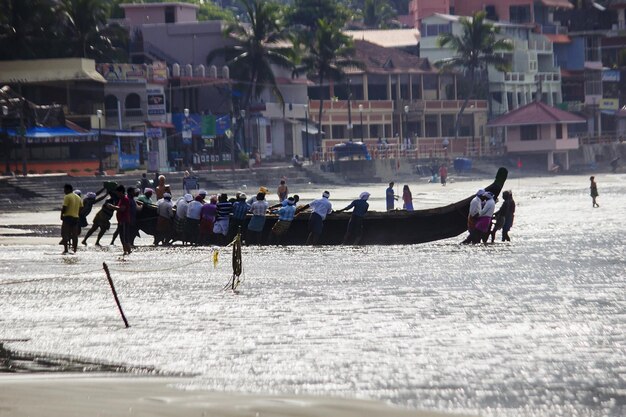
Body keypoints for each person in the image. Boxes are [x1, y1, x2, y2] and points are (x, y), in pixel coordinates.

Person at [110, 185, 132, 255]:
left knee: (125, 238)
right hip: (121, 221)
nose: (117, 194)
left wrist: (112, 207)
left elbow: (122, 209)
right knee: (122, 237)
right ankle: (125, 252)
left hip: (124, 221)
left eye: (117, 193)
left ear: (121, 192)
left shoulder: (125, 199)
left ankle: (128, 252)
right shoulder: (121, 199)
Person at [60, 183, 83, 254]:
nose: (64, 191)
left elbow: (64, 207)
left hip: (68, 217)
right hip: (75, 218)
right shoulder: (78, 197)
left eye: (65, 189)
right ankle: (75, 250)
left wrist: (61, 215)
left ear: (68, 189)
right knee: (74, 235)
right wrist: (76, 213)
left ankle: (66, 250)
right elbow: (81, 207)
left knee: (65, 233)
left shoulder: (67, 196)